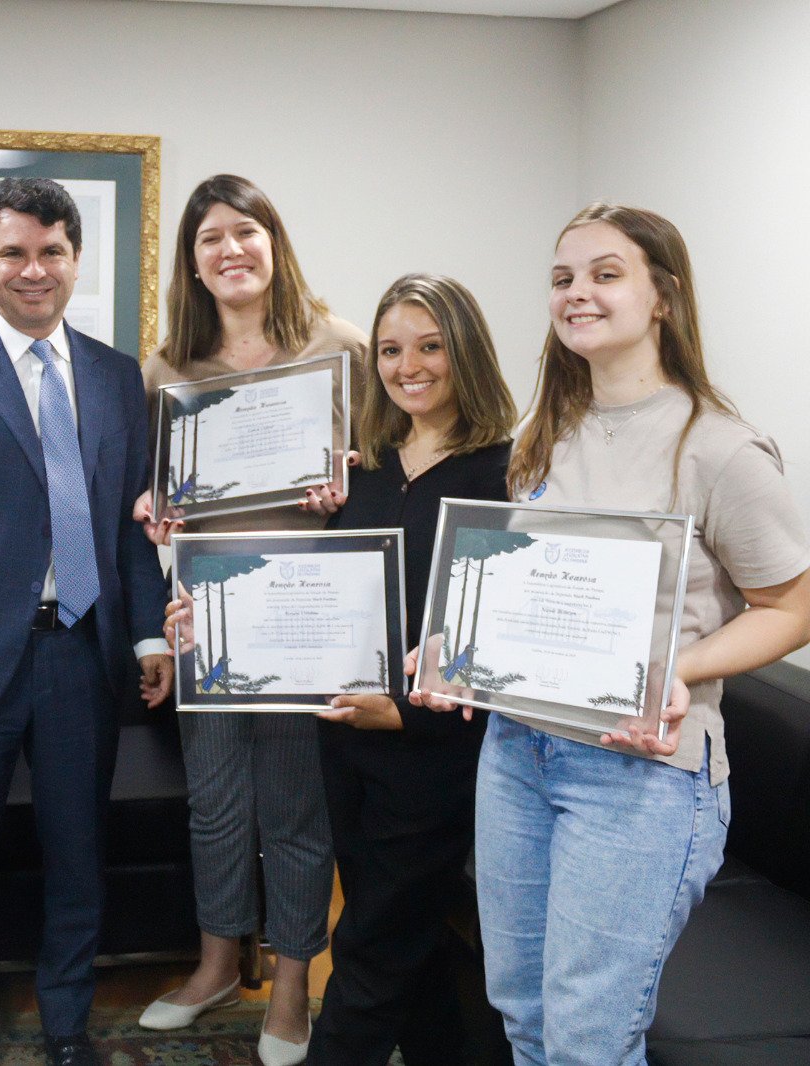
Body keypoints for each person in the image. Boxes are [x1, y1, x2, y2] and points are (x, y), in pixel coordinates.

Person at [417, 203, 810, 1065]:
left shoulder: (720, 448)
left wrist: (682, 668)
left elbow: (792, 607)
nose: (577, 294)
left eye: (604, 274)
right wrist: (456, 647)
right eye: (563, 279)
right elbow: (522, 589)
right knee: (521, 1010)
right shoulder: (543, 435)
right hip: (518, 752)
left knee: (589, 1039)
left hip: (641, 774)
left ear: (662, 296)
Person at [0, 177, 172, 1066]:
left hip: (82, 656)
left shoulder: (117, 378)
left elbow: (130, 527)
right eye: (12, 251)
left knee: (77, 860)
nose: (33, 269)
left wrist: (151, 635)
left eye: (51, 252)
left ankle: (64, 1028)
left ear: (75, 260)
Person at [133, 174, 368, 1066]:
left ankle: (296, 982)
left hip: (310, 616)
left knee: (297, 809)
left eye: (247, 231)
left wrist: (347, 486)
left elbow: (387, 481)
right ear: (191, 263)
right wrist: (152, 504)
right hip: (209, 616)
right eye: (210, 240)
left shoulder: (339, 345)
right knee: (216, 805)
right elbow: (150, 494)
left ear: (274, 241)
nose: (231, 250)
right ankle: (216, 966)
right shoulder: (164, 369)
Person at [288, 273, 513, 1063]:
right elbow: (322, 597)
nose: (407, 365)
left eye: (429, 346)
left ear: (467, 353)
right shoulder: (364, 469)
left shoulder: (509, 475)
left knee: (370, 952)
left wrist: (409, 713)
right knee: (411, 956)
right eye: (390, 349)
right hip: (348, 742)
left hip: (438, 753)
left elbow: (508, 638)